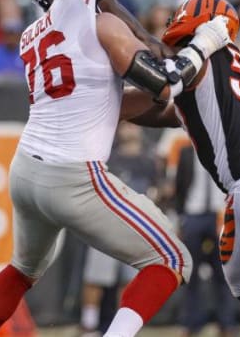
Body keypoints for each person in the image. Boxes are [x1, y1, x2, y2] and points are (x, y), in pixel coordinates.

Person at [0, 0, 232, 337]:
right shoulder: (93, 18)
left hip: (26, 172)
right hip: (72, 174)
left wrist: (184, 115)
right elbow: (164, 84)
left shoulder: (32, 35)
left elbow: (117, 106)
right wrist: (206, 42)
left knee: (21, 271)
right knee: (172, 260)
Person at [129, 0, 240, 316]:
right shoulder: (227, 62)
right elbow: (172, 114)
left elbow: (166, 79)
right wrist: (113, 107)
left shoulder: (203, 56)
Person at [78, 122, 156, 336]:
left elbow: (159, 192)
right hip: (106, 226)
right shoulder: (108, 159)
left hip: (136, 230)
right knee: (96, 278)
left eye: (134, 124)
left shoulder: (150, 161)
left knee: (129, 282)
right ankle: (89, 325)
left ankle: (122, 328)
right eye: (126, 125)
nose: (131, 128)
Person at [174, 144, 236, 337]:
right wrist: (180, 220)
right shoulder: (186, 151)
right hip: (193, 215)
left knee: (224, 274)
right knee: (190, 273)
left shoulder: (228, 151)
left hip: (220, 216)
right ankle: (192, 324)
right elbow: (180, 187)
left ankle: (226, 324)